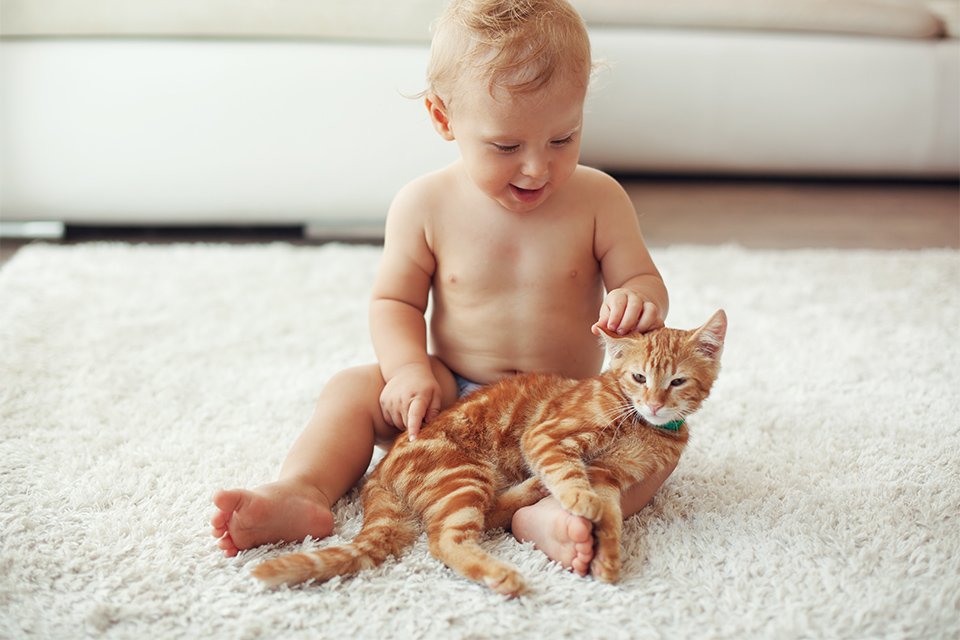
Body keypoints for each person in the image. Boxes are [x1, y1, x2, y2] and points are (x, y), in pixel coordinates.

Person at [211, 0, 672, 577]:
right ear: (442, 117)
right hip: (452, 395)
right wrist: (407, 370)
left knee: (659, 441)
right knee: (351, 388)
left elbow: (641, 279)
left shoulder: (600, 199)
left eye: (564, 138)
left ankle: (549, 512)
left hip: (567, 409)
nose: (537, 168)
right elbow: (395, 301)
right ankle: (303, 488)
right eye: (506, 147)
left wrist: (640, 300)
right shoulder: (424, 205)